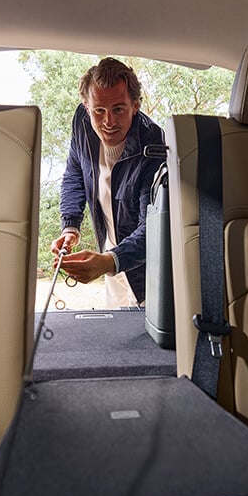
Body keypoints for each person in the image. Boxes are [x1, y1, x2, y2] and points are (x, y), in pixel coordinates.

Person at [51, 57, 164, 308]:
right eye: (99, 111)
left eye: (118, 109)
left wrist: (109, 261)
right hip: (110, 255)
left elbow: (154, 227)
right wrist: (70, 226)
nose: (108, 122)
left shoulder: (154, 145)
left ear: (135, 105)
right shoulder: (81, 122)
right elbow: (74, 173)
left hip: (144, 268)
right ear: (86, 106)